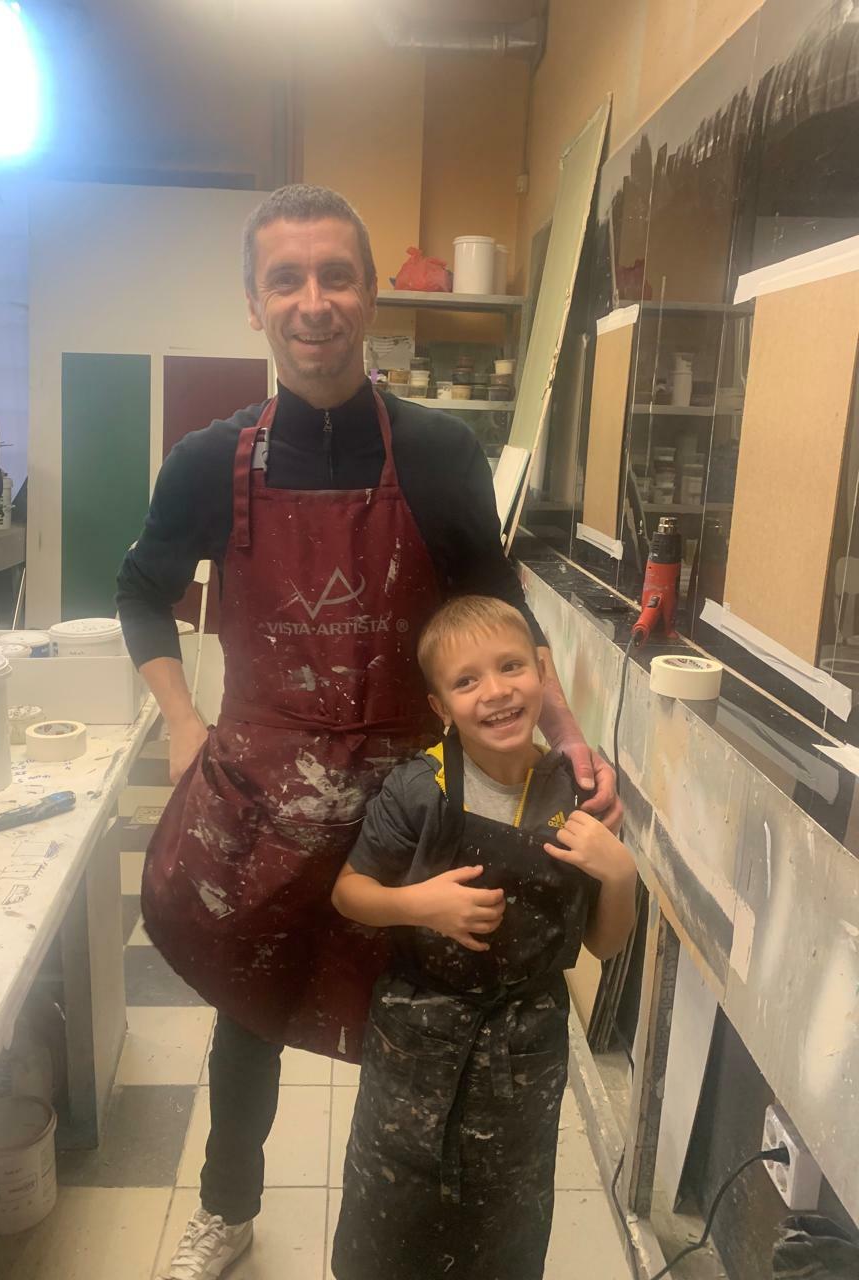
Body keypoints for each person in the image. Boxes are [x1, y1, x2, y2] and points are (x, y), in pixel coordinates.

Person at [116, 184, 620, 1280]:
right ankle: (226, 1208)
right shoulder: (209, 460)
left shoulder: (439, 452)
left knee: (423, 1010)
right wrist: (182, 719)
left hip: (410, 795)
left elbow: (496, 604)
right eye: (286, 280)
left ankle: (409, 1237)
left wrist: (571, 737)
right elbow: (140, 591)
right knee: (251, 1010)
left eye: (335, 276)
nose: (314, 301)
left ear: (369, 295)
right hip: (266, 796)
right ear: (254, 303)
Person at [330, 595, 637, 1280]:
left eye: (511, 667)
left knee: (503, 1228)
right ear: (440, 707)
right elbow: (349, 893)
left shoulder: (575, 793)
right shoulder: (419, 789)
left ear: (542, 676)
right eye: (467, 681)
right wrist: (420, 904)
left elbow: (605, 945)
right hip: (415, 1040)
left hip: (524, 1051)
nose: (496, 691)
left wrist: (621, 874)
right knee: (391, 1220)